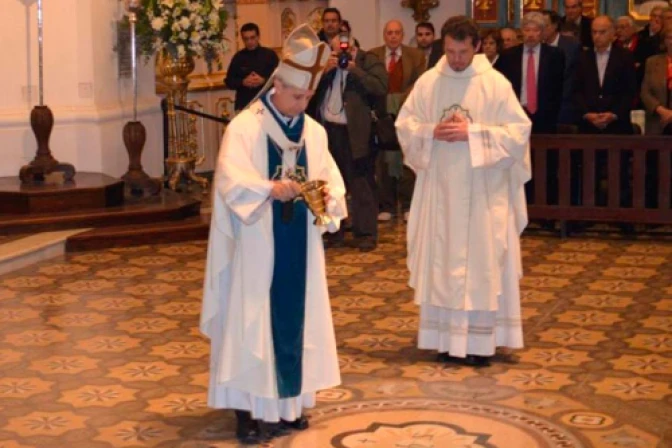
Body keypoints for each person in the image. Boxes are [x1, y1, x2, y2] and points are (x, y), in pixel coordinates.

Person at [201, 24, 346, 445]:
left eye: (308, 98)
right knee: (252, 322)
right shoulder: (245, 129)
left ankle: (287, 405)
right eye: (298, 96)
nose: (303, 105)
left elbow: (331, 181)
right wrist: (270, 189)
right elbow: (229, 181)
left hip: (299, 244)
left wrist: (326, 200)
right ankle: (247, 411)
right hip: (255, 247)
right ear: (277, 85)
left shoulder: (313, 133)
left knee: (296, 320)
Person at [395, 16, 531, 367]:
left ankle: (480, 344)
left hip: (482, 193)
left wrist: (475, 132)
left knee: (482, 261)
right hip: (440, 191)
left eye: (462, 52)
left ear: (476, 47)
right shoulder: (429, 82)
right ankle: (443, 340)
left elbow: (518, 132)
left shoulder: (495, 84)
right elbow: (405, 125)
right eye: (450, 51)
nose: (456, 59)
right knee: (441, 260)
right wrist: (430, 131)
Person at [309, 33, 388, 251]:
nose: (342, 55)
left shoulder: (367, 60)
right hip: (329, 132)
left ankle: (366, 234)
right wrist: (326, 70)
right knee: (331, 184)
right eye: (336, 52)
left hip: (357, 132)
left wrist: (354, 70)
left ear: (354, 47)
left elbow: (381, 87)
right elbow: (309, 90)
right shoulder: (327, 65)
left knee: (361, 184)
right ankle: (334, 231)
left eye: (346, 50)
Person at [370, 20, 425, 223]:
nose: (393, 36)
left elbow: (419, 83)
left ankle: (409, 204)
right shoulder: (373, 55)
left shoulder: (416, 56)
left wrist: (401, 102)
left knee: (407, 158)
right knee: (383, 159)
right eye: (389, 33)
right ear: (384, 35)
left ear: (402, 35)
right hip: (381, 113)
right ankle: (387, 205)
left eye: (397, 33)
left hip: (407, 111)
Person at [495, 12, 565, 134]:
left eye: (535, 30)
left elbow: (558, 87)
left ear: (542, 32)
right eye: (527, 30)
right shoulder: (509, 55)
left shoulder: (555, 55)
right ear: (522, 32)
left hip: (545, 116)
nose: (531, 34)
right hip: (516, 113)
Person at [225, 23, 279, 112]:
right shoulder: (238, 57)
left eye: (252, 38)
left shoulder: (270, 55)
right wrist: (243, 82)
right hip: (244, 104)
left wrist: (264, 81)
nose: (249, 42)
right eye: (246, 39)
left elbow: (280, 78)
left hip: (267, 104)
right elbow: (229, 81)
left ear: (258, 37)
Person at [640, 25, 672, 135]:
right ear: (664, 41)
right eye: (669, 38)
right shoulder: (652, 62)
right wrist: (661, 110)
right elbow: (645, 92)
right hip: (657, 121)